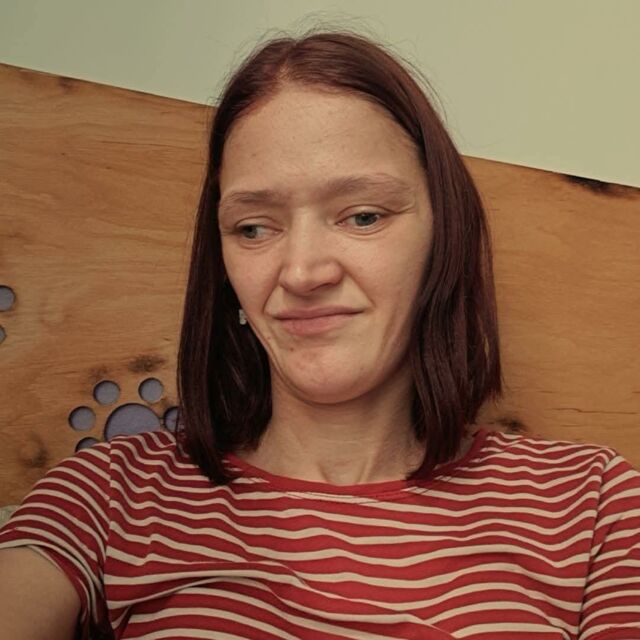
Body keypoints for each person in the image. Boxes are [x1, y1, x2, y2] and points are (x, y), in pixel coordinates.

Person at [1, 27, 639, 640]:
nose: (302, 273)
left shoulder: (594, 505)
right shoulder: (112, 492)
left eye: (363, 216)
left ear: (443, 237)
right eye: (254, 227)